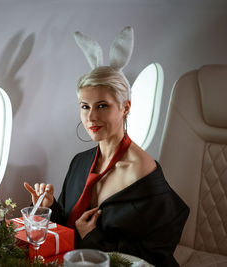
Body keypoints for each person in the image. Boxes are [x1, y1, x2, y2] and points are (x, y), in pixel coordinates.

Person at [24, 27, 189, 267]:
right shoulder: (80, 162)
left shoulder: (142, 173)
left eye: (102, 106)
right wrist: (49, 207)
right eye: (85, 106)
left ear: (125, 107)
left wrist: (92, 238)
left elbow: (154, 256)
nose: (91, 118)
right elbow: (71, 225)